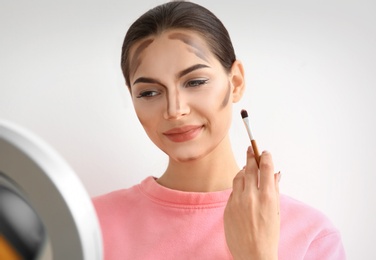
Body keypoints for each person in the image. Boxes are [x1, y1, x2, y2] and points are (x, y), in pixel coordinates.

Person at [93, 1, 345, 259]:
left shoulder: (313, 238)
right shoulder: (89, 224)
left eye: (195, 82)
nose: (174, 110)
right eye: (149, 92)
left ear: (235, 82)